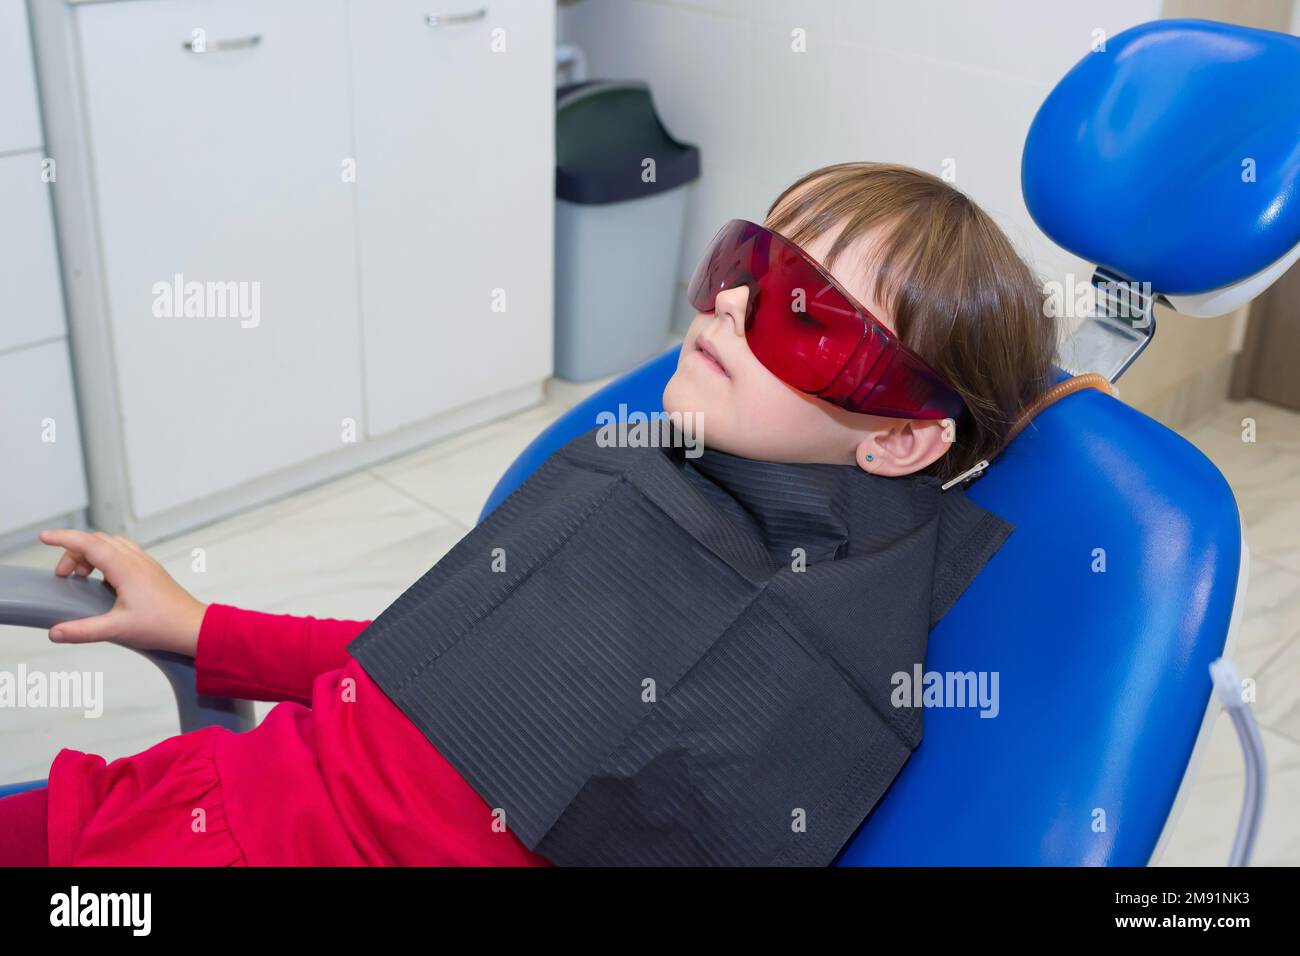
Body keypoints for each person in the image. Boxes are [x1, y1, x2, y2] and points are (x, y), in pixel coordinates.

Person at [0, 162, 1056, 866]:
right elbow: (444, 668)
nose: (731, 303)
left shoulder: (801, 675)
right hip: (199, 797)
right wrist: (199, 628)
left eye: (808, 316)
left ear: (900, 437)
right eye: (751, 263)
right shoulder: (671, 470)